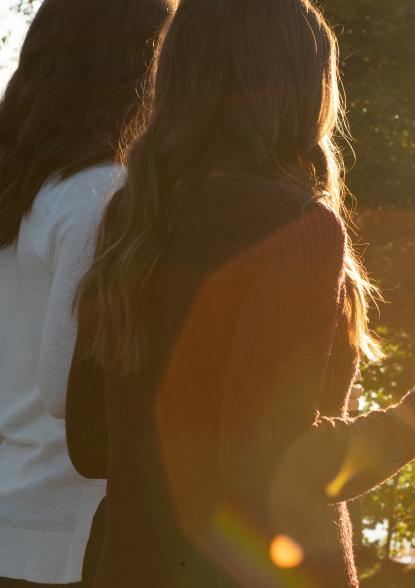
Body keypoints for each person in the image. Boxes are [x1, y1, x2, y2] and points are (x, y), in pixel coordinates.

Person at [66, 0, 415, 586]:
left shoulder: (132, 214)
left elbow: (90, 441)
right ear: (305, 87)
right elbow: (269, 465)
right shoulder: (294, 229)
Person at [0, 1, 173, 585]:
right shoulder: (102, 193)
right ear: (139, 63)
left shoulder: (20, 185)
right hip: (62, 525)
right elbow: (63, 388)